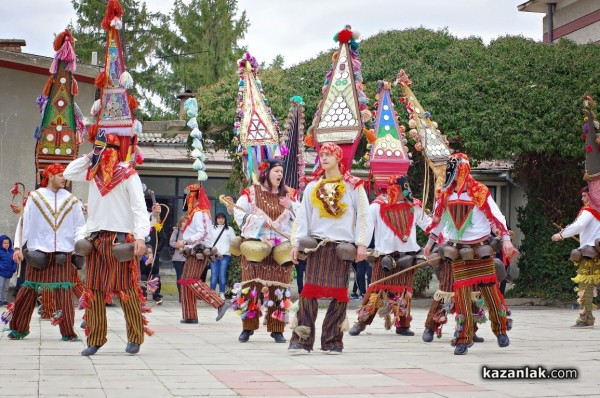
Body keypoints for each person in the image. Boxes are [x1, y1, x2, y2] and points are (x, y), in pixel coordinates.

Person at [424, 153, 517, 355]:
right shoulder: (446, 194)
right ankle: (462, 339)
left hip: (480, 248)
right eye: (453, 169)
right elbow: (438, 220)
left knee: (490, 291)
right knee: (462, 295)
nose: (455, 173)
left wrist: (507, 240)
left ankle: (500, 329)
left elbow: (496, 216)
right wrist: (430, 243)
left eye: (457, 169)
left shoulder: (479, 191)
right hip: (457, 251)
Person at [64, 145, 151, 356]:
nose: (104, 153)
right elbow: (68, 172)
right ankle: (95, 339)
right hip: (96, 239)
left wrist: (140, 236)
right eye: (100, 149)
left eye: (109, 148)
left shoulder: (129, 174)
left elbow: (140, 208)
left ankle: (135, 337)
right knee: (93, 290)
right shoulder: (93, 172)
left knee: (127, 290)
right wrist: (88, 157)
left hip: (120, 239)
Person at [289, 142, 369, 354]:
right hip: (318, 246)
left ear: (338, 158)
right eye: (321, 154)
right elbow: (302, 216)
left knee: (340, 295)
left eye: (328, 155)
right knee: (308, 293)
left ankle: (332, 341)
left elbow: (363, 216)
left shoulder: (354, 186)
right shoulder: (312, 186)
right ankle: (301, 339)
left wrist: (361, 243)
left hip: (342, 248)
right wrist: (296, 242)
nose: (323, 158)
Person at [5, 164, 86, 341]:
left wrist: (80, 243)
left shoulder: (72, 200)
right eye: (60, 175)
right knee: (27, 292)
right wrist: (18, 247)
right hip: (38, 253)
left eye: (64, 175)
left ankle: (68, 333)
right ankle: (19, 329)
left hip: (63, 254)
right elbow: (24, 223)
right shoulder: (35, 198)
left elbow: (80, 226)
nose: (64, 178)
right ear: (49, 176)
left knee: (64, 295)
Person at [349, 176, 431, 337]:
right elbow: (366, 227)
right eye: (401, 189)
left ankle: (403, 325)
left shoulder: (414, 206)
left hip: (407, 256)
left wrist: (441, 236)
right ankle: (361, 322)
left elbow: (429, 225)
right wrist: (361, 245)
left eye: (406, 189)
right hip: (384, 256)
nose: (405, 193)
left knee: (404, 291)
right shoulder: (377, 207)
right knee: (376, 289)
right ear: (393, 189)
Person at [232, 160, 299, 343]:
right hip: (256, 245)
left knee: (279, 288)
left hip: (281, 248)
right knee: (250, 287)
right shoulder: (251, 193)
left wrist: (291, 207)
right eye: (277, 171)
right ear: (267, 172)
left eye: (281, 172)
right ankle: (248, 327)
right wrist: (259, 222)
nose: (280, 175)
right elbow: (239, 214)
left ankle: (277, 329)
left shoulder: (290, 195)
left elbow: (302, 218)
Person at [177, 184, 229, 324]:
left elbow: (203, 233)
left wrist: (186, 241)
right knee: (185, 282)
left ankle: (219, 303)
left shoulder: (200, 212)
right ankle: (190, 315)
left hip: (199, 250)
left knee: (191, 281)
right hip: (193, 250)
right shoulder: (196, 212)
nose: (186, 198)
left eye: (188, 195)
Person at [552, 186, 600, 328]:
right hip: (596, 251)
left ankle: (586, 319)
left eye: (584, 196)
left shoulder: (590, 210)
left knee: (585, 286)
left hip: (589, 254)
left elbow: (579, 225)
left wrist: (561, 235)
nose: (582, 199)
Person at [210, 212, 237, 299]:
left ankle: (222, 292)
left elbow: (234, 242)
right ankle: (212, 293)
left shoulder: (229, 229)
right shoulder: (211, 228)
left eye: (222, 218)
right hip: (214, 255)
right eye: (219, 218)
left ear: (225, 219)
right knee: (214, 274)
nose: (221, 220)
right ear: (216, 219)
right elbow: (208, 241)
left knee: (222, 274)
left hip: (225, 255)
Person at [170, 216, 187, 302]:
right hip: (177, 257)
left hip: (187, 258)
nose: (185, 223)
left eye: (186, 222)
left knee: (187, 277)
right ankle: (181, 295)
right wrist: (179, 245)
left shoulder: (190, 232)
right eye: (183, 222)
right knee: (180, 276)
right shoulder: (176, 231)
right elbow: (171, 242)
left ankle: (186, 295)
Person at [0, 236, 18, 306]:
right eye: (4, 243)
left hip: (9, 273)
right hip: (1, 272)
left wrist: (14, 269)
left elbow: (15, 261)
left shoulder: (12, 252)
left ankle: (4, 300)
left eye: (8, 243)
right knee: (0, 287)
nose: (6, 244)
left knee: (6, 287)